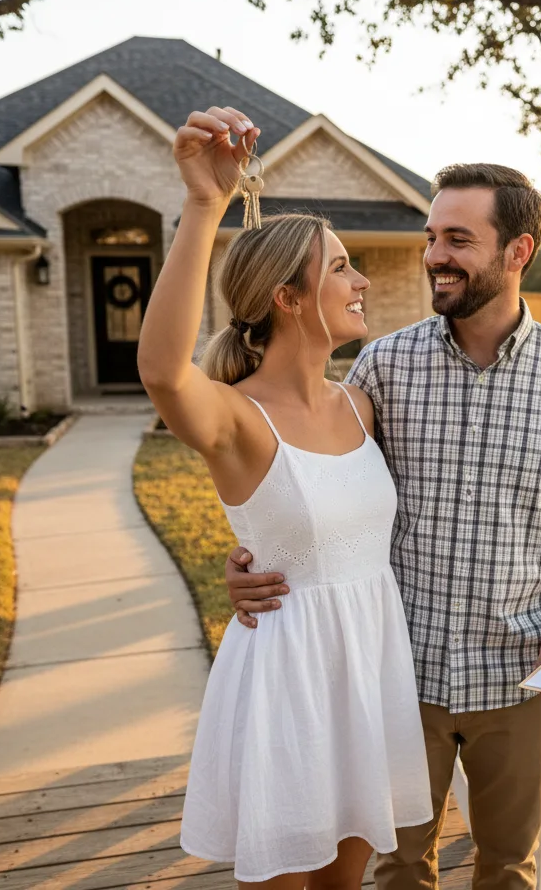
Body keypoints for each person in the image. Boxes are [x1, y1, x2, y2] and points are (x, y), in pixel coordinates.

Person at [227, 164, 541, 890]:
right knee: (399, 865)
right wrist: (254, 555)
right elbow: (315, 482)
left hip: (517, 671)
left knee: (508, 867)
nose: (434, 256)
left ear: (518, 251)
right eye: (430, 237)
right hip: (394, 669)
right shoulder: (382, 365)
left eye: (458, 239)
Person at [137, 105, 432, 889]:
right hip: (287, 682)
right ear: (287, 298)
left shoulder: (360, 403)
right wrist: (204, 204)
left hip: (367, 672)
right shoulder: (237, 419)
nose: (361, 281)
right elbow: (163, 372)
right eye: (340, 267)